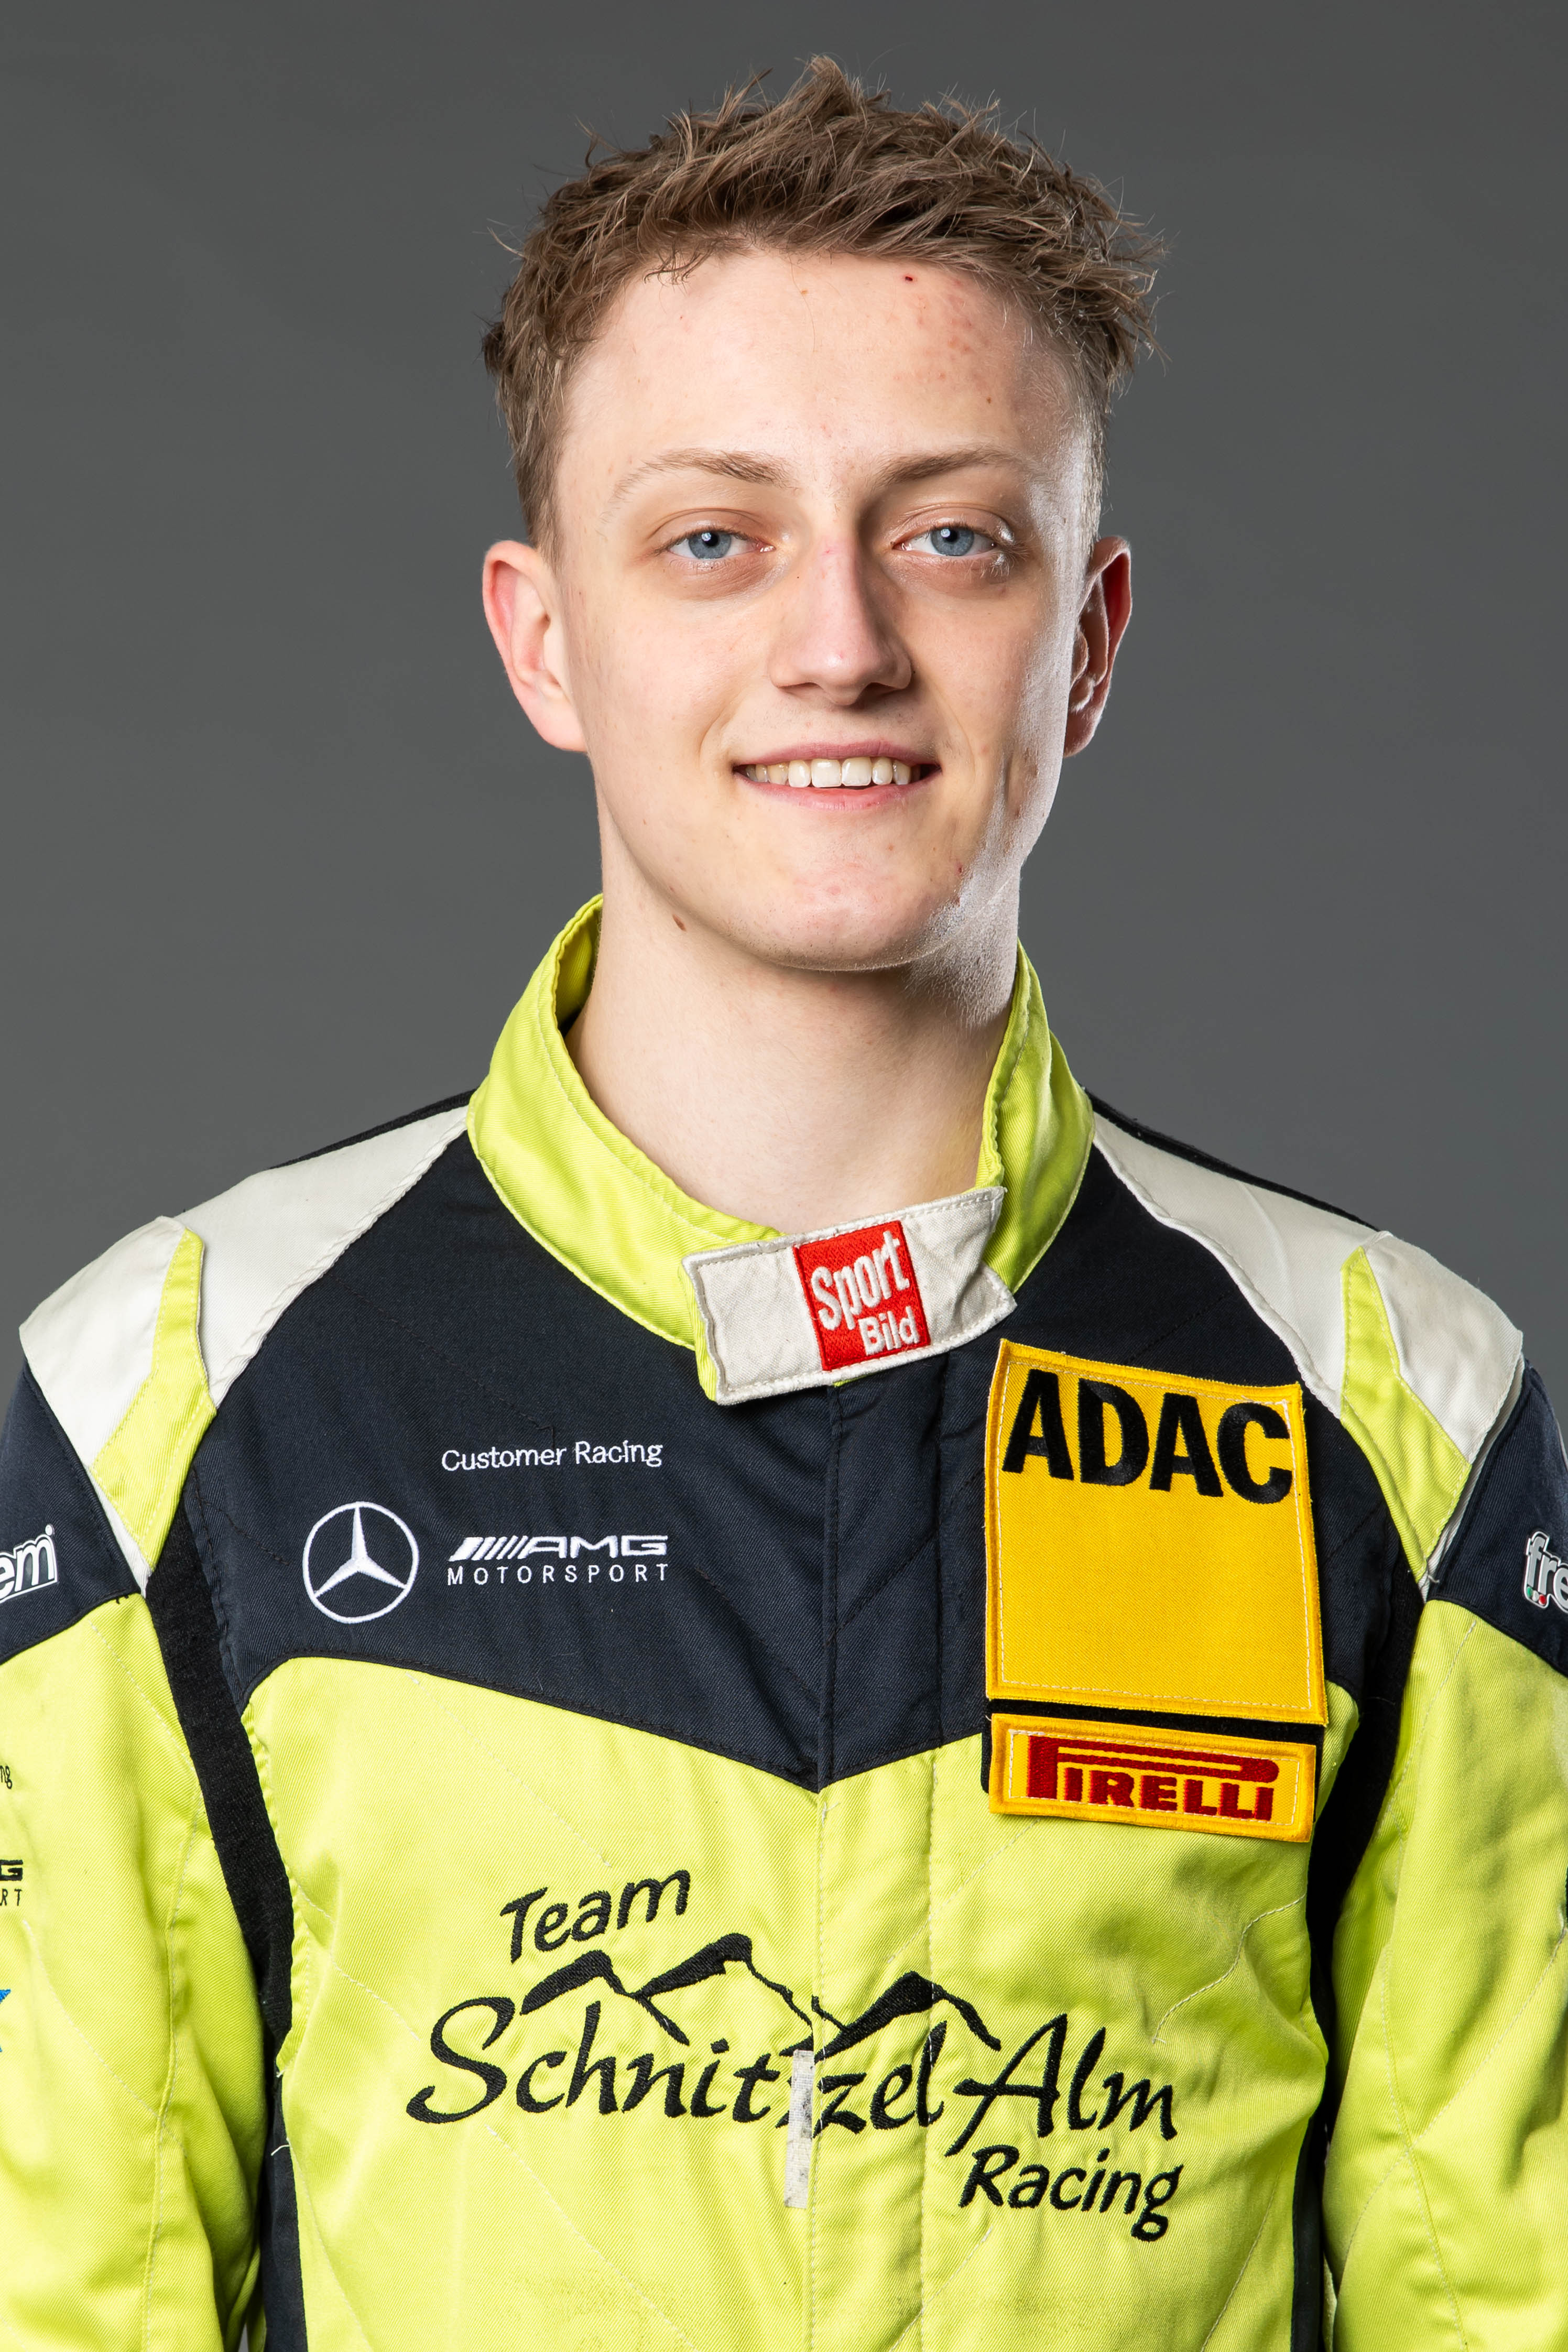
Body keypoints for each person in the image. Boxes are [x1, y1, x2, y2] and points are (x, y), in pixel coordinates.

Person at [2, 57, 1564, 2351]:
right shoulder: (171, 1392)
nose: (838, 642)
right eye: (713, 540)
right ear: (545, 636)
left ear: (1090, 638)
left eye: (953, 535)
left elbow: (1506, 2291)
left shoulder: (1393, 1402)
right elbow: (59, 2288)